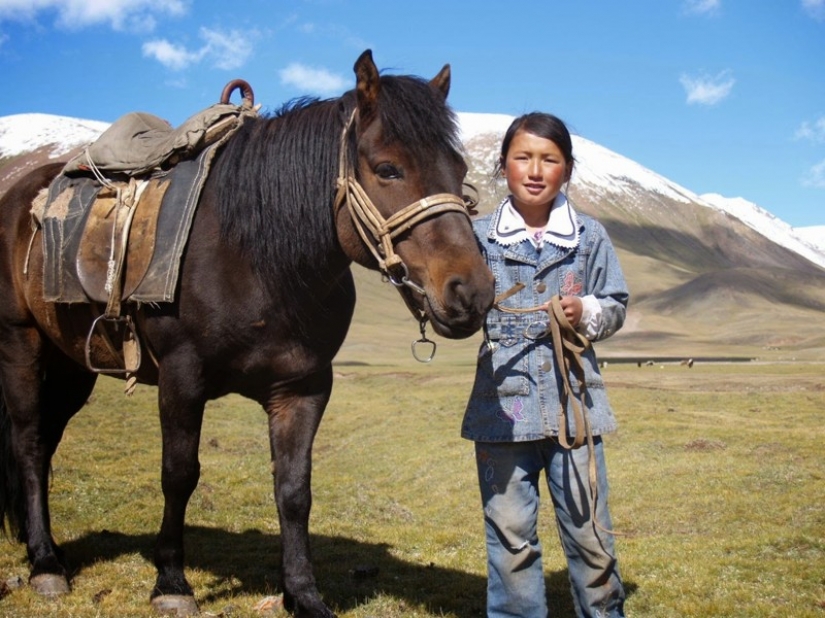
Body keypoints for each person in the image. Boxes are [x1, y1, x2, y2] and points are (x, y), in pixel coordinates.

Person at [462, 112, 629, 618]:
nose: (535, 170)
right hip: (501, 416)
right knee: (511, 545)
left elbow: (616, 302)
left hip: (574, 413)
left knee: (591, 537)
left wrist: (588, 312)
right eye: (523, 158)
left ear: (567, 170)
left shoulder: (589, 236)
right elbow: (455, 304)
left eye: (549, 159)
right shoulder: (476, 237)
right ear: (503, 166)